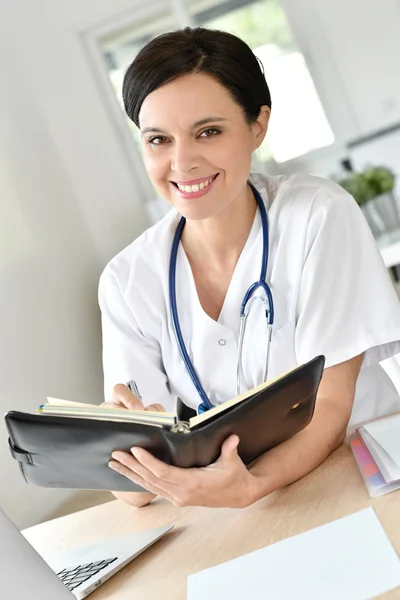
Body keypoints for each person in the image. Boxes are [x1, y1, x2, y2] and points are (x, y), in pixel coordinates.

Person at [99, 27, 400, 509]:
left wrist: (249, 486)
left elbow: (329, 407)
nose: (182, 162)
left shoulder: (317, 215)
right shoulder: (127, 279)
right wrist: (121, 442)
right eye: (158, 140)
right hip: (251, 499)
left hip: (366, 470)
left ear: (257, 125)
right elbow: (133, 489)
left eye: (208, 132)